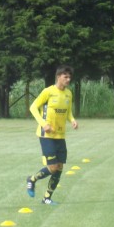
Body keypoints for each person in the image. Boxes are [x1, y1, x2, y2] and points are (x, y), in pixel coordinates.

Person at [25, 65, 79, 205]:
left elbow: (68, 112)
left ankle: (47, 198)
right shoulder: (48, 91)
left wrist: (72, 120)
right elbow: (33, 108)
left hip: (60, 136)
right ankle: (32, 179)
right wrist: (43, 124)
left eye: (69, 77)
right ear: (58, 76)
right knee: (53, 167)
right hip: (46, 135)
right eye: (65, 76)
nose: (68, 79)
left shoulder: (68, 93)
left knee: (59, 167)